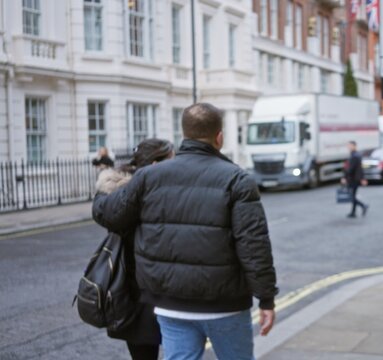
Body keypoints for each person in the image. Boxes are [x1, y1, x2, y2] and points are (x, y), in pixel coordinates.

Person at [92, 103, 278, 360]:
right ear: (219, 137)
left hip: (170, 304)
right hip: (226, 306)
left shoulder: (148, 177)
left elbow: (108, 213)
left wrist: (107, 182)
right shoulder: (237, 179)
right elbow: (253, 245)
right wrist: (266, 298)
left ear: (184, 136)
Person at [94, 139, 174, 360]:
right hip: (157, 289)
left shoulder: (119, 193)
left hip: (129, 293)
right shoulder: (157, 192)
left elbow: (102, 210)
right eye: (171, 159)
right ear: (156, 164)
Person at [342, 141, 369, 218]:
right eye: (348, 145)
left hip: (353, 179)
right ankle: (353, 212)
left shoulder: (354, 156)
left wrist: (345, 177)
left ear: (354, 146)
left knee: (352, 196)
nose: (348, 147)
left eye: (350, 145)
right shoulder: (356, 155)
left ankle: (363, 205)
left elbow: (350, 169)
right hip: (355, 179)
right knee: (353, 195)